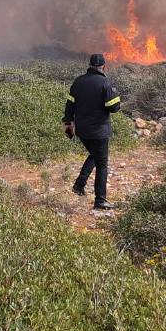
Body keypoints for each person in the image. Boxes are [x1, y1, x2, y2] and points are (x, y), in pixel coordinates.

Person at [63, 52, 123, 211]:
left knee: (95, 155)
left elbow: (70, 105)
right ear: (104, 66)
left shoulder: (78, 81)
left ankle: (79, 184)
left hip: (82, 131)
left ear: (90, 65)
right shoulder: (104, 82)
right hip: (99, 131)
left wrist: (68, 123)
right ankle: (100, 200)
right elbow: (113, 107)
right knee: (102, 164)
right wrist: (117, 98)